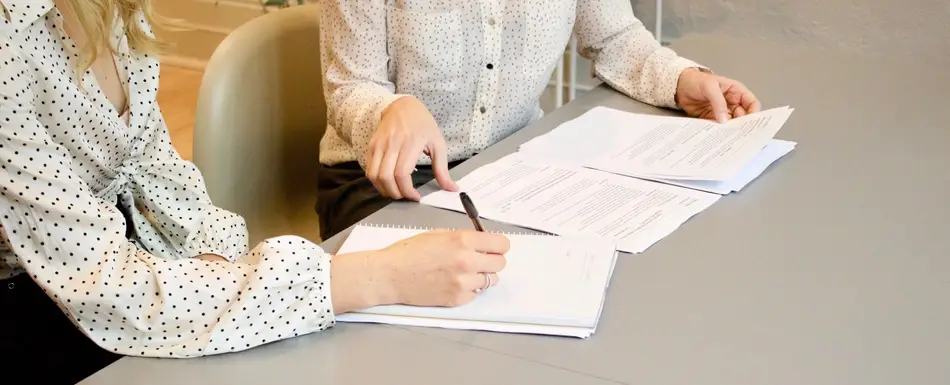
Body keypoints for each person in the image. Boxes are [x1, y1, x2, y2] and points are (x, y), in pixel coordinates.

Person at [0, 1, 510, 383]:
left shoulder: (113, 12)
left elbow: (161, 183)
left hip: (120, 267)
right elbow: (106, 286)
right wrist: (377, 277)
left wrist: (230, 271)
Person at [315, 1, 763, 239]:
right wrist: (389, 110)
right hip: (381, 181)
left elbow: (615, 37)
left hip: (512, 169)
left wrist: (680, 79)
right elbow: (349, 87)